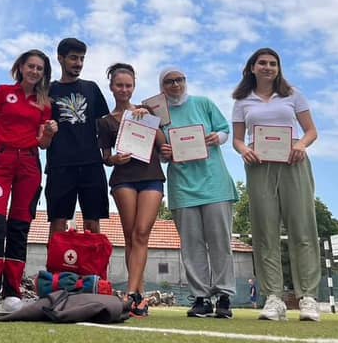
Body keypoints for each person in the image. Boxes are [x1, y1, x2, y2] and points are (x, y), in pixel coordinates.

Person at [231, 47, 320, 322]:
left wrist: (302, 146)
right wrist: (244, 149)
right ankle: (273, 298)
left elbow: (311, 131)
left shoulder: (293, 95)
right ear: (252, 68)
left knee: (302, 228)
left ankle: (307, 297)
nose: (268, 67)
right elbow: (237, 139)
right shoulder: (242, 100)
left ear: (278, 68)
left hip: (293, 163)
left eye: (273, 63)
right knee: (265, 232)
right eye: (262, 63)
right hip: (260, 166)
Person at [0, 50, 58, 315]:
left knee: (19, 226)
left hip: (29, 164)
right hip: (1, 161)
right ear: (20, 67)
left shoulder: (45, 103)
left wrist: (50, 133)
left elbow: (43, 142)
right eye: (30, 66)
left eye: (39, 69)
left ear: (44, 74)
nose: (34, 71)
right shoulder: (2, 92)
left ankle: (12, 293)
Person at [157, 66, 237, 319]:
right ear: (162, 87)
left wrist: (218, 137)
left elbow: (225, 130)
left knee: (220, 243)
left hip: (214, 185)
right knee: (191, 246)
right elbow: (157, 151)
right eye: (169, 82)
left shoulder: (204, 103)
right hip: (183, 187)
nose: (175, 85)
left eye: (180, 80)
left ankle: (224, 295)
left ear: (185, 81)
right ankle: (201, 298)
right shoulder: (160, 114)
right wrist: (164, 153)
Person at [98, 63, 165, 317]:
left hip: (151, 177)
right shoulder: (104, 122)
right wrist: (114, 160)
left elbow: (162, 143)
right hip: (123, 179)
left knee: (141, 233)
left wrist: (147, 119)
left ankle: (132, 293)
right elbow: (105, 156)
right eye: (119, 85)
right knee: (129, 236)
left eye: (128, 85)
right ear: (112, 87)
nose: (124, 90)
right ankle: (139, 295)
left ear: (134, 86)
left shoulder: (145, 111)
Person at [45, 38, 110, 238]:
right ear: (60, 59)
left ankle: (94, 269)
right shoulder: (48, 90)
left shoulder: (91, 88)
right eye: (74, 58)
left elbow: (104, 125)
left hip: (91, 164)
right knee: (58, 221)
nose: (79, 63)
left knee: (92, 222)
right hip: (60, 165)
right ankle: (54, 269)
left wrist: (107, 154)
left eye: (82, 58)